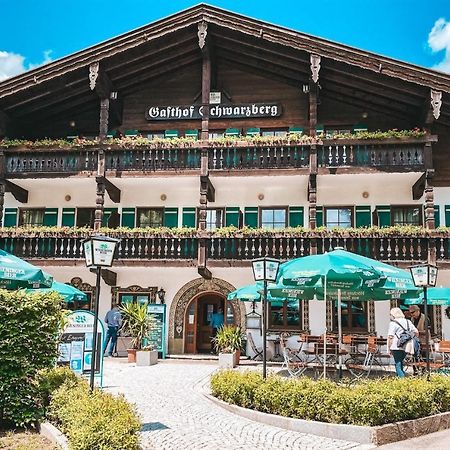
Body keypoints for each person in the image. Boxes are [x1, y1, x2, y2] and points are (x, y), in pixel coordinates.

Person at [387, 307, 418, 377]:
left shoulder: (393, 323)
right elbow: (416, 332)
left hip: (396, 346)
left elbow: (390, 337)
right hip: (405, 345)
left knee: (397, 364)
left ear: (393, 314)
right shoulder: (408, 321)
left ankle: (402, 380)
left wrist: (389, 348)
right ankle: (400, 379)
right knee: (400, 363)